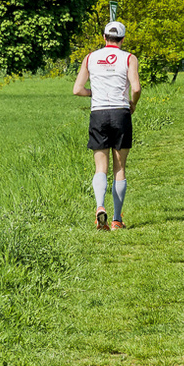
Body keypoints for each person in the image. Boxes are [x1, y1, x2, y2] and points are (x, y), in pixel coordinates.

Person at [72, 20, 140, 230]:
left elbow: (77, 89)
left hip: (98, 113)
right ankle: (117, 219)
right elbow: (136, 88)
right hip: (120, 113)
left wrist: (95, 93)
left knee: (100, 167)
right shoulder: (129, 58)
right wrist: (133, 105)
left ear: (104, 38)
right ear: (123, 39)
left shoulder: (90, 58)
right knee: (120, 168)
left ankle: (100, 207)